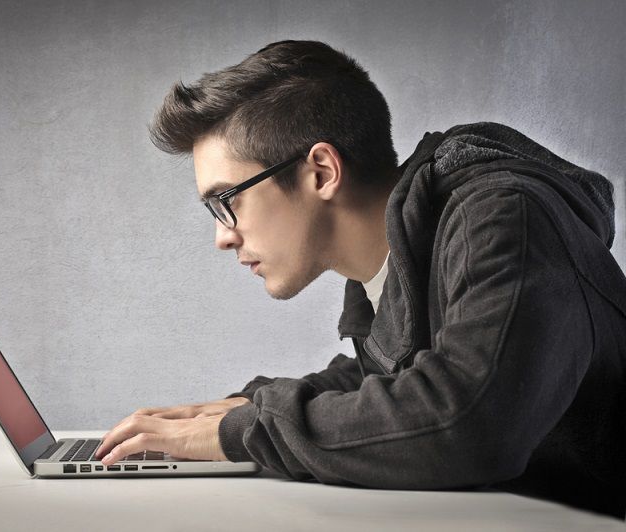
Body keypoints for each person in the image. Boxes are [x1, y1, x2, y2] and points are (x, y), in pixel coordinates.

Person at [92, 40, 626, 518]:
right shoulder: (400, 264)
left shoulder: (503, 215)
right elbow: (392, 383)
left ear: (321, 171)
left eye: (225, 201)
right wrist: (248, 405)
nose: (222, 237)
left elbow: (467, 421)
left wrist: (241, 433)